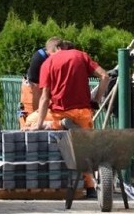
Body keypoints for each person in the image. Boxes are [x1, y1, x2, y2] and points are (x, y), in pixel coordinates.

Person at [30, 40, 109, 198]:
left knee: (29, 121)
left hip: (60, 112)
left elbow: (45, 97)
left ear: (54, 49)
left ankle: (56, 124)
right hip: (82, 113)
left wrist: (38, 124)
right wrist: (96, 99)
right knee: (84, 148)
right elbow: (105, 76)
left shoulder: (48, 63)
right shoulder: (81, 56)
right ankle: (90, 187)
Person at [19, 36, 62, 128]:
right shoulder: (39, 58)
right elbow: (36, 91)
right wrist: (37, 116)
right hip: (31, 91)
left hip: (43, 92)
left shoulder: (58, 57)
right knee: (29, 123)